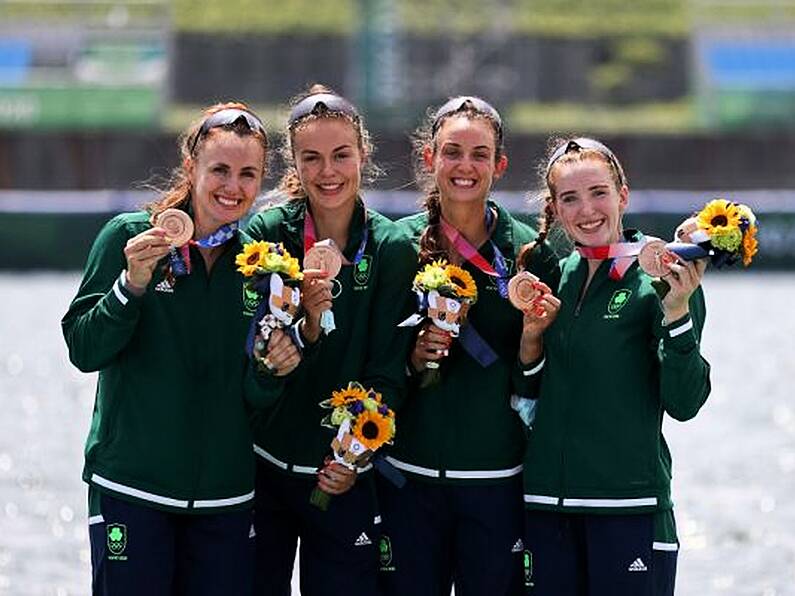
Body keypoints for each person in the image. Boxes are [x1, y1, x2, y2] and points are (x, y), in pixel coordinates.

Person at [61, 102, 299, 595]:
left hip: (224, 503)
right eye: (219, 170)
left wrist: (272, 371)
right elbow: (84, 350)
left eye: (248, 174)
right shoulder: (129, 237)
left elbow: (255, 400)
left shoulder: (263, 264)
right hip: (132, 491)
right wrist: (130, 287)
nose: (232, 187)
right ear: (190, 166)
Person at [377, 96, 560, 596]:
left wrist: (531, 340)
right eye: (452, 152)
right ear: (429, 157)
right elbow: (372, 356)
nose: (465, 166)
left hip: (496, 479)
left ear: (499, 165)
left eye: (480, 154)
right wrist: (414, 358)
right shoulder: (396, 245)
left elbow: (544, 377)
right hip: (409, 480)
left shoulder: (530, 252)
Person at [517, 137, 711, 596]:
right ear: (556, 209)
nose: (586, 210)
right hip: (546, 510)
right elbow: (530, 398)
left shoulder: (662, 279)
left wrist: (679, 310)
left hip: (629, 510)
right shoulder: (553, 276)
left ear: (622, 195)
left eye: (598, 193)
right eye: (570, 198)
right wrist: (529, 341)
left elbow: (685, 403)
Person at [245, 84, 416, 596]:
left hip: (343, 477)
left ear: (363, 152)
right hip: (263, 468)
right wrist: (301, 327)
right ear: (293, 163)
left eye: (342, 155)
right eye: (312, 158)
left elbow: (388, 371)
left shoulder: (390, 246)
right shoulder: (268, 232)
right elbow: (249, 349)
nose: (328, 171)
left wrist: (354, 456)